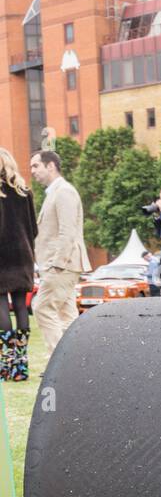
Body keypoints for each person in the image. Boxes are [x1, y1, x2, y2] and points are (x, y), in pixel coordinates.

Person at [29, 150, 89, 352]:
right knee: (66, 316)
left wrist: (57, 264)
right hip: (61, 265)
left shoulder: (64, 191)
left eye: (36, 165)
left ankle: (56, 362)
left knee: (42, 307)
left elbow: (67, 232)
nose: (32, 171)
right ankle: (73, 363)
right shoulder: (55, 193)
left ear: (51, 166)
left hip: (62, 265)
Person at [0, 148, 36, 380]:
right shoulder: (25, 193)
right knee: (22, 307)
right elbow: (34, 229)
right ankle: (20, 367)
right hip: (23, 256)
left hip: (2, 256)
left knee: (1, 305)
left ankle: (5, 365)